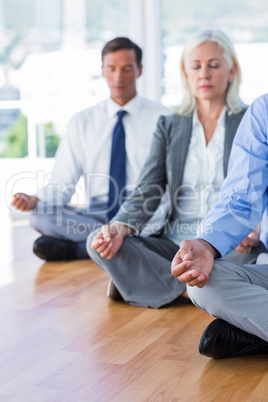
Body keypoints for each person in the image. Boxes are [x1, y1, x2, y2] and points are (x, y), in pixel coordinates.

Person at [88, 29, 266, 309]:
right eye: (196, 66)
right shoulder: (170, 125)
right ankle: (188, 290)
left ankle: (144, 285)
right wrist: (120, 226)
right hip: (176, 244)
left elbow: (253, 190)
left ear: (231, 71)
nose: (204, 74)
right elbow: (149, 187)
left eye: (214, 65)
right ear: (186, 73)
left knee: (243, 265)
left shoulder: (253, 121)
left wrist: (252, 229)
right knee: (99, 242)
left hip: (230, 247)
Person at [11, 37, 170, 261]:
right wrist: (34, 199)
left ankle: (81, 249)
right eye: (111, 69)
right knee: (40, 216)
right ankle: (120, 246)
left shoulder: (164, 118)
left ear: (139, 70)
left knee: (167, 226)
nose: (118, 77)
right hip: (96, 217)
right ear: (102, 70)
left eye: (126, 69)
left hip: (143, 217)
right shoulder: (82, 121)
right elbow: (63, 183)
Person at [171, 92, 268, 359]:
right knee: (206, 282)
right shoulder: (264, 111)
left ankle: (254, 332)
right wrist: (207, 244)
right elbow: (241, 197)